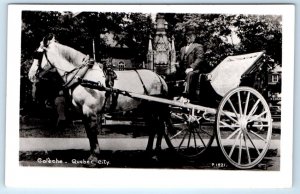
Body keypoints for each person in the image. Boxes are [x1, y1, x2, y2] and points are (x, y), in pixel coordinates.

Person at [177, 26, 210, 102]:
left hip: (195, 70)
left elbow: (199, 59)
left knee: (190, 74)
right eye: (187, 35)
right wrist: (177, 64)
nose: (188, 37)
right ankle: (174, 95)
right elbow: (180, 60)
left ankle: (187, 96)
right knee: (172, 75)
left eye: (190, 36)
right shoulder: (182, 48)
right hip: (184, 70)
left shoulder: (198, 46)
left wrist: (191, 68)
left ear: (194, 37)